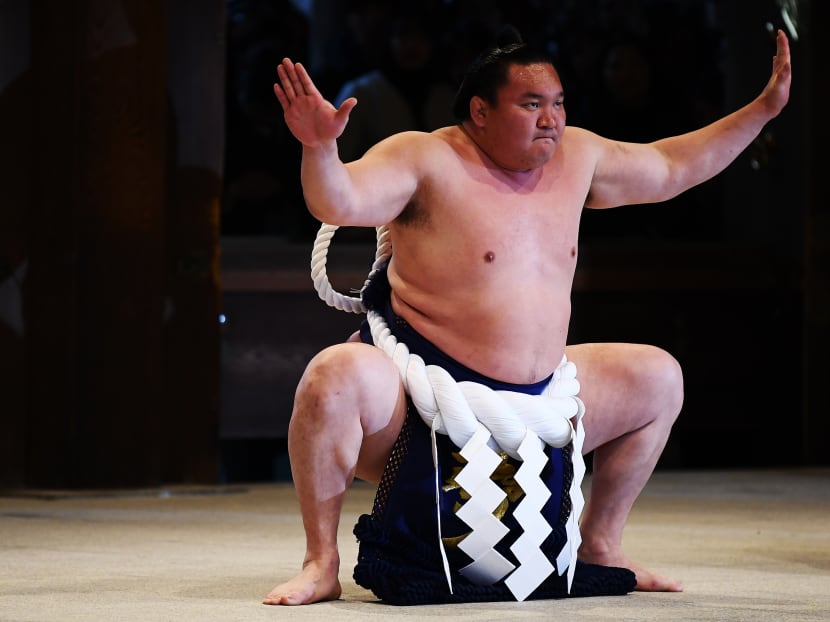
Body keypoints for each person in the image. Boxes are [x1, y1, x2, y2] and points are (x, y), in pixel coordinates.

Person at [265, 28, 792, 605]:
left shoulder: (579, 157)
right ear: (480, 112)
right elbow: (338, 201)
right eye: (532, 104)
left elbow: (669, 166)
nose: (552, 119)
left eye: (559, 103)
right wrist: (319, 148)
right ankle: (321, 561)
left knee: (658, 376)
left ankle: (602, 544)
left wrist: (762, 111)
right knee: (332, 375)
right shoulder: (423, 156)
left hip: (539, 401)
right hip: (422, 403)